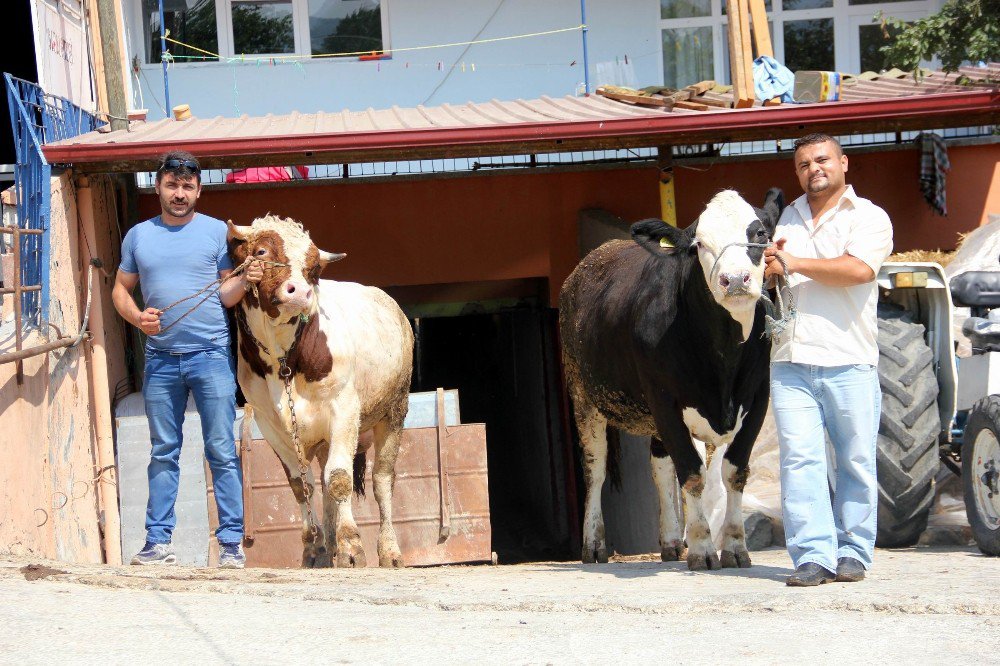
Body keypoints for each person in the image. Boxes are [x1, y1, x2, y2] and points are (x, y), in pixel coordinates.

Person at [112, 151, 263, 568]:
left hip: (211, 356)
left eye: (188, 187)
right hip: (160, 360)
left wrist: (244, 282)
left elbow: (224, 294)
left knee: (220, 449)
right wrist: (138, 318)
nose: (180, 194)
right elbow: (120, 291)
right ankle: (157, 542)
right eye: (172, 185)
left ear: (198, 191)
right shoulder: (138, 236)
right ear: (158, 186)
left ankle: (231, 544)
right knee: (164, 450)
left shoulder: (217, 233)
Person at [764, 133, 893, 587]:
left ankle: (854, 552)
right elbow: (774, 271)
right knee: (800, 461)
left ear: (843, 163)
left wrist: (792, 262)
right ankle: (813, 556)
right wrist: (766, 268)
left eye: (822, 159)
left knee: (855, 461)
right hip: (791, 360)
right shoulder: (788, 217)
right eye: (803, 164)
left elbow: (858, 270)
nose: (813, 168)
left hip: (849, 359)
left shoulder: (870, 217)